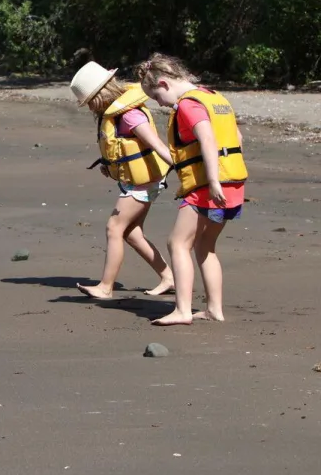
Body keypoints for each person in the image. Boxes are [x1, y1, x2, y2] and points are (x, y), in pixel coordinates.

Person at [138, 53, 248, 325]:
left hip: (207, 186)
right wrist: (225, 178)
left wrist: (212, 181)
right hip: (233, 183)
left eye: (155, 97)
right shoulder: (214, 97)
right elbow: (238, 138)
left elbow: (207, 139)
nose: (159, 104)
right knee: (205, 246)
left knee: (178, 242)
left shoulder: (188, 105)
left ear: (163, 84)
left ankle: (183, 310)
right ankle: (214, 309)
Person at [69, 61, 175, 300]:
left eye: (89, 102)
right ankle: (168, 277)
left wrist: (187, 170)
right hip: (138, 181)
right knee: (131, 232)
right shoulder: (116, 114)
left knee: (114, 228)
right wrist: (110, 165)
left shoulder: (128, 115)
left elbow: (157, 145)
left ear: (99, 96)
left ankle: (106, 287)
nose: (90, 108)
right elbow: (121, 148)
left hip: (144, 183)